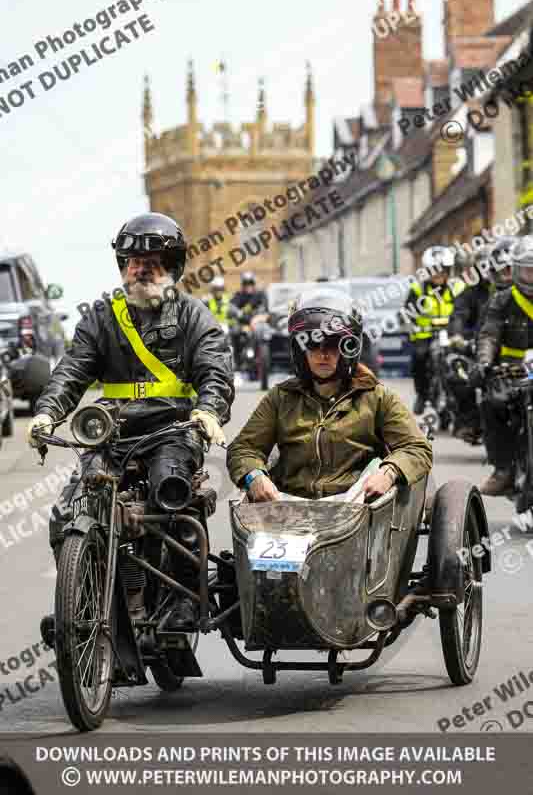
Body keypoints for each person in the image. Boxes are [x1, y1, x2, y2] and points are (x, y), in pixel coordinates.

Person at [27, 212, 234, 640]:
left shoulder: (194, 315)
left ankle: (182, 600)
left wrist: (209, 411)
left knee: (173, 495)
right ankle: (79, 596)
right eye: (132, 262)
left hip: (173, 431)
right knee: (69, 510)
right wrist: (47, 412)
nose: (141, 269)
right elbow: (72, 370)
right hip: (111, 432)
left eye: (153, 262)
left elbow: (215, 371)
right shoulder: (101, 317)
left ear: (173, 266)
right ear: (122, 266)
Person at [226, 289, 432, 502]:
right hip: (289, 513)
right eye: (313, 344)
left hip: (358, 510)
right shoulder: (280, 398)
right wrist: (254, 476)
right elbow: (243, 448)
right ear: (300, 350)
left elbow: (416, 447)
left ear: (348, 349)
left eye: (333, 344)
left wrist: (389, 472)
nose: (323, 354)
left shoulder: (376, 397)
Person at [476, 234, 533, 496]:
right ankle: (503, 470)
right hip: (511, 371)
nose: (530, 277)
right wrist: (486, 361)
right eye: (527, 271)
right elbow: (489, 334)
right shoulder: (502, 299)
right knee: (492, 403)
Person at [447, 238, 514, 441]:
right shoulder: (484, 296)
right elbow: (461, 316)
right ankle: (470, 422)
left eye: (509, 269)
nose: (505, 274)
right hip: (486, 350)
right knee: (461, 376)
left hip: (523, 359)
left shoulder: (518, 293)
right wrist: (459, 337)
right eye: (499, 269)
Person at [404, 246, 464, 414]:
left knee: (461, 358)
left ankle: (462, 398)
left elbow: (464, 310)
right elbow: (408, 313)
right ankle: (422, 395)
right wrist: (411, 322)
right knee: (419, 359)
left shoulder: (458, 287)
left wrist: (459, 326)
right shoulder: (418, 289)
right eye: (434, 270)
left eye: (443, 270)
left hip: (451, 334)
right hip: (425, 334)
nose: (439, 275)